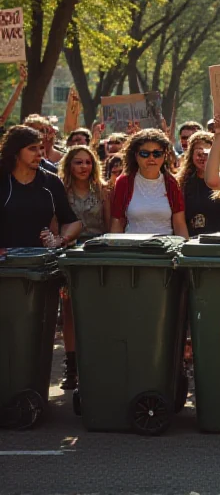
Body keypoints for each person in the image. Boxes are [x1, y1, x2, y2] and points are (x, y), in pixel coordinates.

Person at [57, 144, 109, 389]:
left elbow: (109, 224)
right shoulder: (61, 191)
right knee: (69, 309)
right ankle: (72, 365)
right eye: (78, 162)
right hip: (70, 253)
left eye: (87, 162)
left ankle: (97, 363)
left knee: (98, 309)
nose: (83, 167)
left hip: (97, 253)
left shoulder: (103, 190)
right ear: (69, 165)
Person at [0, 126, 82, 253]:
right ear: (15, 152)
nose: (39, 154)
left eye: (41, 148)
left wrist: (60, 240)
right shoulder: (3, 180)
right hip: (5, 264)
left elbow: (73, 222)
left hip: (40, 262)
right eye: (32, 148)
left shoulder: (51, 181)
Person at [110, 129, 189, 238]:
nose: (151, 158)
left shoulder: (171, 183)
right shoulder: (124, 182)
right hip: (133, 248)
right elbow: (117, 223)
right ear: (135, 155)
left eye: (157, 153)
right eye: (144, 154)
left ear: (165, 155)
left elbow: (179, 225)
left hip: (165, 248)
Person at [176, 131, 220, 237]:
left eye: (208, 154)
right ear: (191, 155)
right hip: (193, 241)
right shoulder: (182, 183)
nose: (204, 158)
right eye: (199, 154)